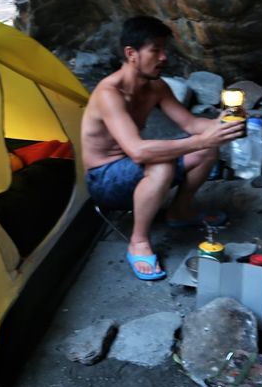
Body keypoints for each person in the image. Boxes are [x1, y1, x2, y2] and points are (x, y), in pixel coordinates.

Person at [80, 16, 245, 280]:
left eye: (164, 49)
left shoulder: (156, 86)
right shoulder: (108, 94)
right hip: (105, 180)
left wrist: (224, 124)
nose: (163, 57)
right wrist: (202, 139)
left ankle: (180, 211)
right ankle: (138, 241)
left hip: (135, 169)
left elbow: (191, 124)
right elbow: (137, 151)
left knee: (207, 151)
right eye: (155, 50)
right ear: (131, 54)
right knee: (164, 161)